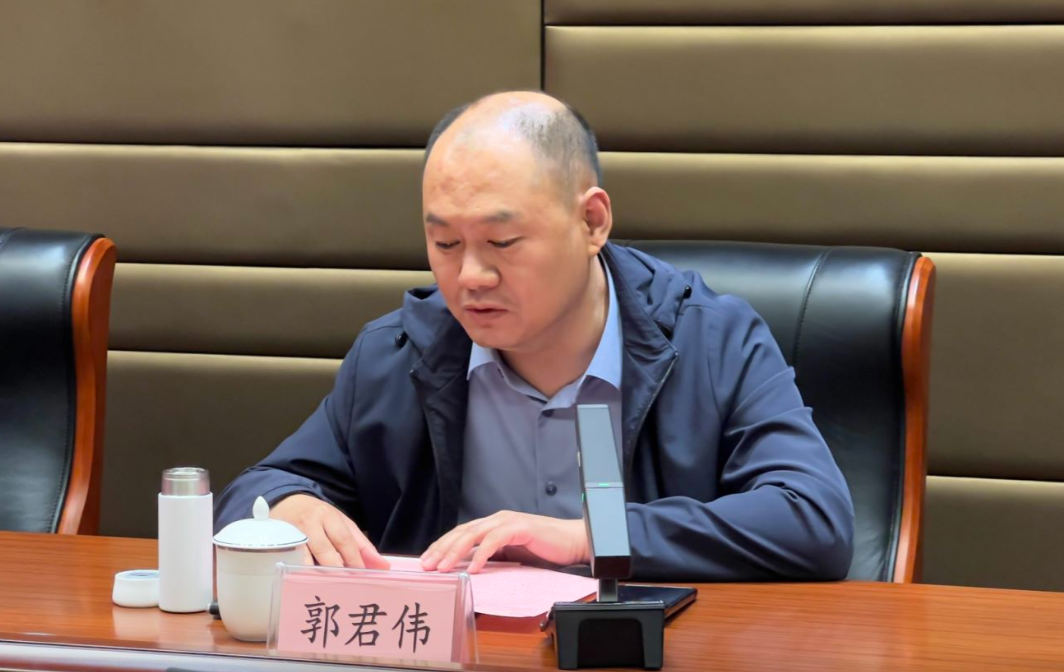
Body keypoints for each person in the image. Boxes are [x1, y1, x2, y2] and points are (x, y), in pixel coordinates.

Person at [215, 91, 855, 581]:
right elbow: (259, 487)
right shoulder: (399, 353)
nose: (470, 276)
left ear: (592, 222)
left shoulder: (711, 341)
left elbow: (813, 518)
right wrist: (288, 507)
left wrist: (588, 536)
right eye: (445, 244)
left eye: (502, 241)